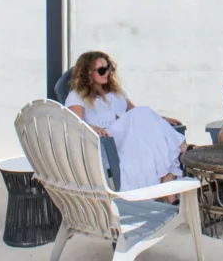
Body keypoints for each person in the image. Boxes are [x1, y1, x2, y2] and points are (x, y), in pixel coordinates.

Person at [61, 51, 192, 199]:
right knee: (159, 140)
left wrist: (162, 120)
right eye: (102, 70)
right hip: (105, 142)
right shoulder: (77, 96)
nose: (107, 73)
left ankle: (171, 198)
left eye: (108, 68)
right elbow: (75, 123)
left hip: (128, 139)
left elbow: (135, 113)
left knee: (159, 146)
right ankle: (183, 148)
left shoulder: (116, 92)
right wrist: (94, 128)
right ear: (88, 73)